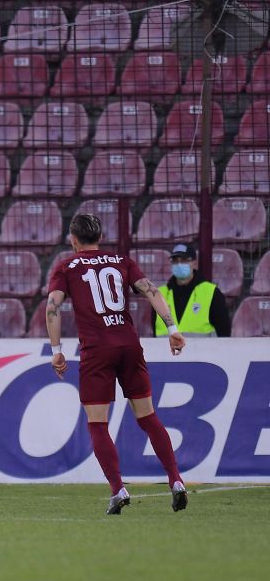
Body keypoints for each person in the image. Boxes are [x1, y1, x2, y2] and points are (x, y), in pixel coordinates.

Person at [47, 214, 188, 515]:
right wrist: (172, 329)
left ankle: (118, 489)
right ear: (99, 237)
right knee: (148, 417)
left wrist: (56, 349)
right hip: (128, 344)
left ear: (73, 238)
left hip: (97, 350)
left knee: (98, 423)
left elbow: (53, 306)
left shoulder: (66, 267)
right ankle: (175, 480)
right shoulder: (121, 260)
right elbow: (151, 291)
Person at [151, 243, 231, 338]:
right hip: (169, 352)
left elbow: (224, 333)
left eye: (184, 260)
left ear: (194, 263)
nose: (179, 265)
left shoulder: (211, 293)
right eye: (175, 261)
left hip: (204, 352)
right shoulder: (159, 295)